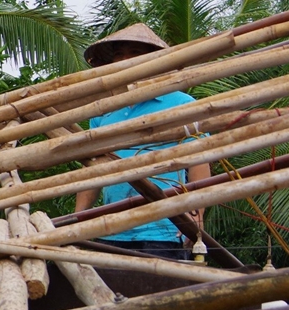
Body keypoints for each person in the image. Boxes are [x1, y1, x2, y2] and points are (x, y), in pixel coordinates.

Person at [73, 23, 209, 260]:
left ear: (152, 61)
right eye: (120, 55)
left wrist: (196, 214)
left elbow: (199, 161)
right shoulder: (103, 112)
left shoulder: (181, 104)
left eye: (135, 54)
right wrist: (78, 218)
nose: (126, 60)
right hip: (110, 229)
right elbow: (93, 173)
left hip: (164, 230)